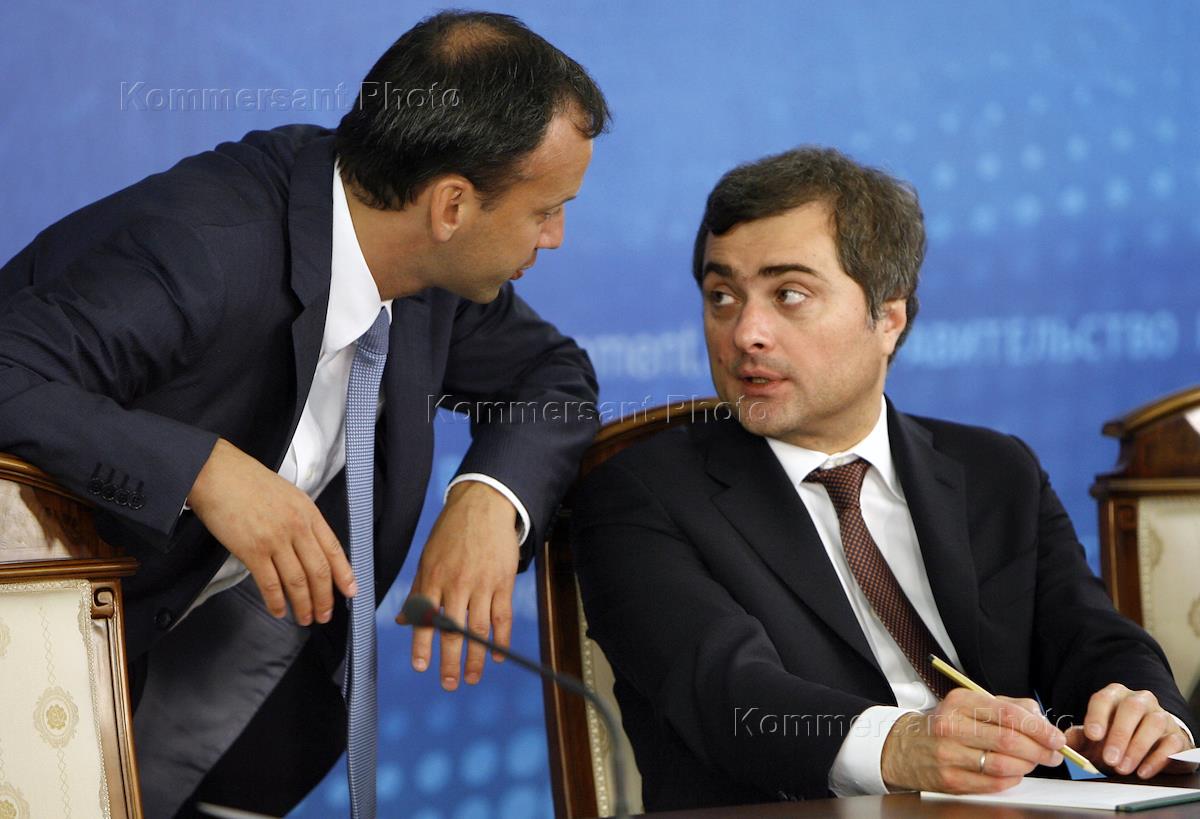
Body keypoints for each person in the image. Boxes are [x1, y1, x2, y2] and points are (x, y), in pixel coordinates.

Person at [0, 10, 607, 817]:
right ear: (453, 205)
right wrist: (205, 470)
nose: (557, 236)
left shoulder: (428, 274)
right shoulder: (204, 245)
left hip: (203, 710)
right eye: (546, 210)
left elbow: (553, 376)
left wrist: (489, 498)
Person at [571, 147, 1198, 811]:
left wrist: (1140, 713)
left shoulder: (995, 471)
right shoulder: (642, 493)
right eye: (721, 297)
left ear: (888, 318)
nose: (745, 333)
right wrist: (899, 746)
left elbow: (1091, 638)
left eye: (789, 295)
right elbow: (726, 696)